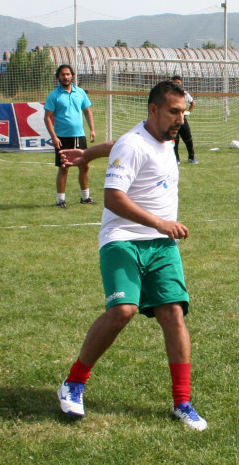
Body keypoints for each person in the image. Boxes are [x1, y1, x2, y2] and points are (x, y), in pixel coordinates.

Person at [56, 80, 208, 431]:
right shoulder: (133, 143)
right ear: (153, 110)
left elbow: (114, 145)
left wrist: (88, 153)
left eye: (183, 112)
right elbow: (112, 197)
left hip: (161, 245)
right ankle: (74, 382)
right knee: (123, 310)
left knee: (173, 313)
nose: (180, 120)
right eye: (173, 112)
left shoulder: (164, 139)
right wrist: (159, 222)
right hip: (122, 239)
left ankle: (182, 402)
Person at [44, 64, 96, 209]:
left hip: (79, 136)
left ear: (72, 75)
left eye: (68, 74)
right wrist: (54, 137)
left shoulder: (80, 93)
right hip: (62, 137)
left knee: (84, 166)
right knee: (64, 168)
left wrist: (92, 129)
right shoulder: (54, 95)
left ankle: (85, 198)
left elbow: (87, 111)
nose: (65, 77)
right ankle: (61, 200)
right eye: (62, 75)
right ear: (58, 77)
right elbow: (47, 117)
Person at [170, 76, 197, 164]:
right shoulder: (168, 94)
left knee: (188, 138)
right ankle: (176, 159)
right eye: (174, 82)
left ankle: (191, 157)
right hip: (173, 119)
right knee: (175, 139)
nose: (176, 84)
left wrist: (188, 112)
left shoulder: (184, 94)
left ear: (181, 84)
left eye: (178, 83)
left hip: (182, 119)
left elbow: (193, 102)